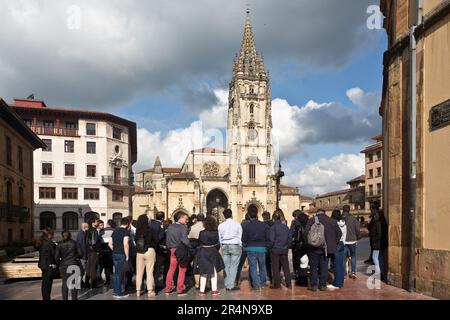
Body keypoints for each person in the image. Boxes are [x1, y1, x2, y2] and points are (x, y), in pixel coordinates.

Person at [305, 209, 342, 292]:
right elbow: (339, 234)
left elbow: (306, 233)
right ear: (325, 213)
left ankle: (314, 285)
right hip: (326, 248)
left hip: (314, 247)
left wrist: (308, 245)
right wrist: (333, 243)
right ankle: (322, 285)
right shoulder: (332, 221)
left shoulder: (311, 220)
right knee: (324, 266)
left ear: (316, 213)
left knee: (313, 267)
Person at [195, 215, 225, 297]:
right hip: (213, 252)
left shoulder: (202, 233)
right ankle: (214, 290)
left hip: (203, 252)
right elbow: (217, 243)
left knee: (203, 272)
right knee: (213, 272)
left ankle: (201, 291)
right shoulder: (216, 232)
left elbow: (199, 243)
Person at [242, 206, 270, 290]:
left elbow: (243, 239)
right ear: (257, 214)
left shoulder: (246, 226)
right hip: (261, 248)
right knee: (262, 266)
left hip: (250, 248)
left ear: (249, 215)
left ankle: (256, 285)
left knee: (253, 268)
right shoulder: (264, 225)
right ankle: (263, 284)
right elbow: (267, 237)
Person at [164, 212, 192, 295]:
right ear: (180, 218)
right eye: (185, 219)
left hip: (172, 250)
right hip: (181, 250)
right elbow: (184, 239)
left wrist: (170, 248)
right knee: (182, 269)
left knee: (171, 269)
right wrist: (190, 246)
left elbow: (167, 240)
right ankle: (180, 288)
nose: (187, 221)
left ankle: (168, 287)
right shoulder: (183, 227)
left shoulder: (170, 226)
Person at [218, 209, 242, 291]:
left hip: (225, 245)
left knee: (226, 266)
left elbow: (219, 238)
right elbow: (240, 236)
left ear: (224, 216)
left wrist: (222, 246)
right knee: (234, 266)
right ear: (231, 215)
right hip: (235, 245)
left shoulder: (220, 226)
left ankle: (227, 284)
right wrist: (240, 245)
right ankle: (231, 285)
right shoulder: (237, 224)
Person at [55, 230, 83, 300]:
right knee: (74, 283)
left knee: (64, 283)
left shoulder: (59, 245)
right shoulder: (75, 243)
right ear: (70, 235)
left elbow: (56, 257)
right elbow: (80, 254)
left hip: (64, 265)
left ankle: (65, 299)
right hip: (74, 264)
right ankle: (74, 298)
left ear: (62, 236)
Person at [269, 210, 292, 289]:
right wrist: (286, 247)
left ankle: (277, 284)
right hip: (284, 249)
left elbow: (271, 240)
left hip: (275, 249)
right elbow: (290, 240)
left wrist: (270, 247)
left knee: (275, 267)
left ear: (273, 219)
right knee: (286, 267)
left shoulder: (273, 228)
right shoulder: (286, 227)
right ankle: (289, 284)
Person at [135, 214, 157, 297]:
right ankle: (150, 291)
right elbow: (156, 240)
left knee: (139, 272)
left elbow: (135, 240)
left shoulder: (137, 231)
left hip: (139, 252)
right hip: (150, 250)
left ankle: (138, 290)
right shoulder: (151, 230)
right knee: (149, 272)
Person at [109, 218, 131, 299]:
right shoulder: (126, 232)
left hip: (115, 254)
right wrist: (127, 256)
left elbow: (109, 244)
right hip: (122, 254)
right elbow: (126, 245)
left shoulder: (115, 231)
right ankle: (118, 293)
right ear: (127, 224)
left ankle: (116, 291)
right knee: (119, 274)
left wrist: (114, 249)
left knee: (116, 273)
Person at [328, 210, 346, 290]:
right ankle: (340, 282)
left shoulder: (333, 223)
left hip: (337, 244)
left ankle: (337, 284)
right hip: (342, 244)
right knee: (341, 265)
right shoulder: (344, 223)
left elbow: (335, 234)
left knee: (336, 265)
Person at [342, 205, 360, 279]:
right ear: (349, 210)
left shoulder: (340, 218)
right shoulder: (353, 218)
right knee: (353, 256)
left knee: (343, 258)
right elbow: (357, 230)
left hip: (343, 241)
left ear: (343, 210)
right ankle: (353, 272)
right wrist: (357, 237)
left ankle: (344, 274)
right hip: (352, 240)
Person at [38, 228, 57, 300]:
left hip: (43, 265)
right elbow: (54, 254)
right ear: (49, 235)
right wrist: (56, 245)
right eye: (52, 234)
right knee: (48, 284)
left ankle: (45, 298)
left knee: (45, 283)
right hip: (48, 265)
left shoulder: (42, 241)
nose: (53, 236)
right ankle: (46, 298)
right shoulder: (49, 243)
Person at [369, 208, 388, 280]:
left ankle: (378, 273)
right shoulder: (384, 222)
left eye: (376, 214)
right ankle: (382, 274)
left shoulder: (377, 223)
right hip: (382, 243)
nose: (375, 215)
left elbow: (379, 234)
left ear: (379, 215)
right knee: (381, 259)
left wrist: (373, 241)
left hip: (377, 244)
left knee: (375, 258)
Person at [149, 211, 166, 291]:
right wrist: (163, 230)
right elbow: (160, 237)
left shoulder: (150, 224)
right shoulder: (160, 225)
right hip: (158, 249)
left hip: (149, 248)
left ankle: (148, 285)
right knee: (157, 267)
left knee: (150, 268)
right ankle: (155, 284)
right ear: (162, 218)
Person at [188, 213, 205, 289]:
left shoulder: (192, 227)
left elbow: (189, 237)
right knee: (204, 265)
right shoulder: (205, 226)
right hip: (204, 247)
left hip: (194, 247)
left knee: (196, 265)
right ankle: (205, 282)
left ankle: (197, 283)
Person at [85, 218, 102, 289]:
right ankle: (93, 284)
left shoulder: (89, 230)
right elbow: (93, 242)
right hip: (93, 252)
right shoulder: (94, 231)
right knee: (93, 268)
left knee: (89, 267)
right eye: (97, 222)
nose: (98, 223)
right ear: (93, 223)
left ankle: (87, 283)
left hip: (90, 251)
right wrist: (97, 250)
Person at [235, 213, 251, 286]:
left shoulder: (242, 225)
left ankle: (237, 279)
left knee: (240, 264)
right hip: (250, 245)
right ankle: (252, 279)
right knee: (252, 264)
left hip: (243, 246)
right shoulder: (251, 225)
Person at [262, 211, 273, 284]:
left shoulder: (262, 225)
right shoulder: (273, 223)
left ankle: (269, 276)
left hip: (265, 245)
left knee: (266, 262)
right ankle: (274, 276)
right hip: (273, 245)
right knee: (273, 262)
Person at [76, 222, 89, 287]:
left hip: (82, 255)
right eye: (88, 227)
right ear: (85, 227)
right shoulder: (82, 235)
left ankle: (81, 282)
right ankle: (80, 282)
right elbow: (83, 246)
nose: (88, 228)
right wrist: (85, 256)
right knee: (82, 270)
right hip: (83, 256)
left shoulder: (82, 234)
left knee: (82, 270)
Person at [289, 210, 302, 275]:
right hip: (305, 244)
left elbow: (291, 233)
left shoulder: (294, 222)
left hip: (296, 244)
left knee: (296, 259)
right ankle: (302, 272)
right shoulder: (306, 221)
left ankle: (296, 272)